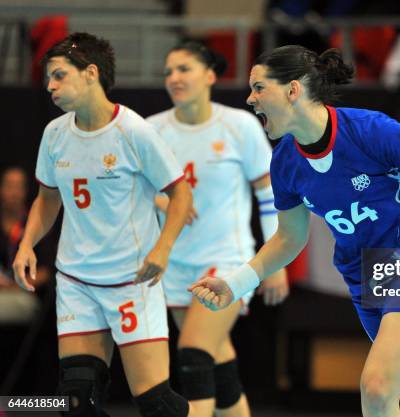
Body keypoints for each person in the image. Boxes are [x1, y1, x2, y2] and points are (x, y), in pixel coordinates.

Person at [189, 45, 400, 417]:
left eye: (259, 88)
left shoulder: (371, 130)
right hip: (369, 282)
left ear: (292, 91)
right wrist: (236, 283)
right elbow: (289, 238)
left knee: (377, 387)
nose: (250, 98)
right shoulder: (286, 162)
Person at [11, 32, 195, 417]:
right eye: (48, 78)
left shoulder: (135, 132)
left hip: (133, 281)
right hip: (77, 282)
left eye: (59, 75)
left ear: (91, 73)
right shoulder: (55, 134)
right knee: (76, 400)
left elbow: (181, 195)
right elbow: (48, 198)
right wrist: (27, 243)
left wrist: (162, 249)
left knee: (158, 404)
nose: (50, 86)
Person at [146, 41, 289, 417]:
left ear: (210, 75)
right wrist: (163, 200)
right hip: (175, 265)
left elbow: (271, 196)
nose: (174, 78)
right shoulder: (151, 130)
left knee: (193, 355)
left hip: (228, 261)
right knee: (217, 363)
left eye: (184, 69)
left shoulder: (239, 125)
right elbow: (128, 191)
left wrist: (274, 261)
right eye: (168, 72)